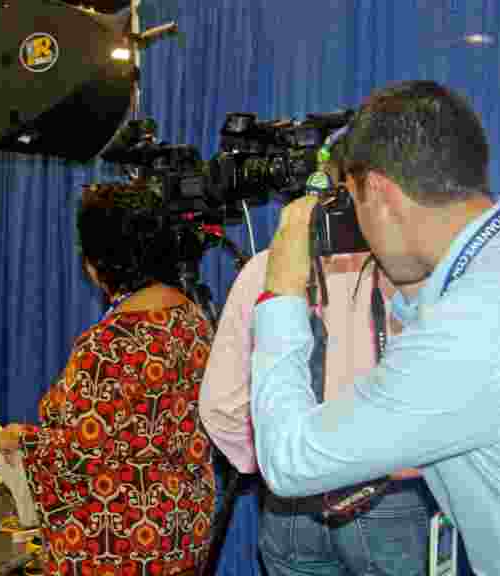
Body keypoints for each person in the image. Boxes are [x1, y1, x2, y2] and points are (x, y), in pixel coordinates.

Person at [252, 80, 500, 574]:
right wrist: (401, 258)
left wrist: (281, 289)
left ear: (382, 194)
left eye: (356, 202)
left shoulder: (469, 334)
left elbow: (289, 459)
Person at [201, 135, 442, 575]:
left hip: (290, 507)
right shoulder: (416, 271)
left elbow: (221, 404)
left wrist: (283, 462)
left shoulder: (265, 271)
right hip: (392, 500)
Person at [0, 181, 217, 576]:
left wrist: (20, 439)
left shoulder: (108, 343)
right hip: (185, 528)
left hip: (120, 541)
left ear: (98, 264)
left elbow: (79, 452)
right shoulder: (194, 320)